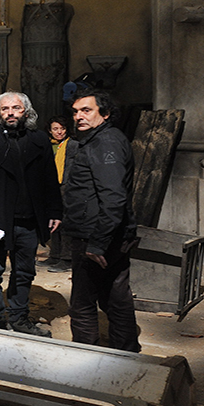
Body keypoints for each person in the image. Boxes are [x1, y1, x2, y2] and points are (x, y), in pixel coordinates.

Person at [0, 92, 62, 336]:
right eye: (5, 109)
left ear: (26, 111)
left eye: (16, 108)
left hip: (28, 219)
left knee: (25, 272)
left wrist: (55, 210)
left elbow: (50, 180)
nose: (10, 113)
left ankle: (19, 318)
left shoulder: (39, 140)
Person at [63, 89, 141, 352]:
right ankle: (126, 353)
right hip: (106, 232)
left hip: (95, 235)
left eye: (86, 110)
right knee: (115, 297)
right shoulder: (100, 140)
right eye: (75, 112)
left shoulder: (104, 143)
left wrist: (96, 243)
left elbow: (113, 198)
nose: (78, 116)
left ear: (105, 114)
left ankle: (86, 359)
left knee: (83, 302)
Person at [40, 116, 75, 273]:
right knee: (53, 221)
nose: (59, 132)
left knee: (66, 221)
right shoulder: (49, 145)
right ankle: (55, 255)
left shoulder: (73, 145)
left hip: (67, 186)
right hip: (52, 186)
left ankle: (67, 259)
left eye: (62, 129)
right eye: (55, 129)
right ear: (50, 130)